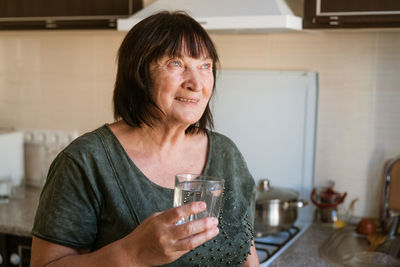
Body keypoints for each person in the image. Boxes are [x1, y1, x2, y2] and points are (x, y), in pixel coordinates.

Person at [30, 11, 259, 267]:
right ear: (138, 73)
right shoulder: (86, 161)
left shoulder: (226, 153)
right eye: (176, 63)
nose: (197, 83)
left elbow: (246, 250)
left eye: (205, 65)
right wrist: (132, 253)